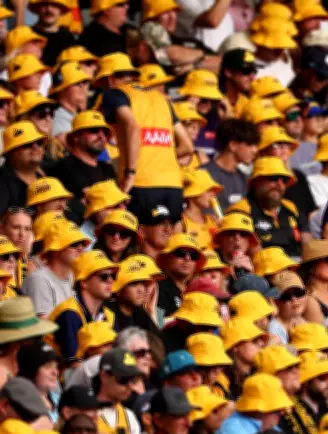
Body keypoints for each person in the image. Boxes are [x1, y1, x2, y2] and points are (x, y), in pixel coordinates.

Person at [102, 57, 191, 223]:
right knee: (169, 238)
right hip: (173, 185)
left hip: (140, 183)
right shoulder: (161, 98)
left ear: (109, 79)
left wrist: (130, 174)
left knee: (138, 237)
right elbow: (187, 146)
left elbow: (131, 126)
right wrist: (158, 155)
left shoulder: (114, 94)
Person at [49, 250, 117, 361]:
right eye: (103, 276)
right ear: (84, 282)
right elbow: (73, 363)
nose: (110, 280)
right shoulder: (68, 314)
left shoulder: (109, 315)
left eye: (112, 275)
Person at [23, 221, 89, 318]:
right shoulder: (39, 280)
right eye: (74, 244)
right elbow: (44, 324)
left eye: (82, 244)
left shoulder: (71, 276)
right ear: (55, 250)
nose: (80, 248)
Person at [216, 373, 292, 434]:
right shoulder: (232, 429)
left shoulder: (270, 426)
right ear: (257, 409)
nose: (282, 413)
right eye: (277, 410)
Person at [201, 119, 259, 212]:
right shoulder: (203, 175)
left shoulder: (244, 178)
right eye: (250, 144)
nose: (255, 150)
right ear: (233, 145)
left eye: (256, 145)